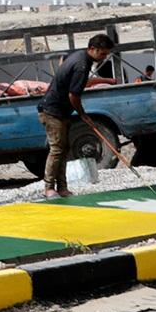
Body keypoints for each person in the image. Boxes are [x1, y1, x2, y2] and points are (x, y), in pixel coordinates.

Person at [37, 34, 115, 199]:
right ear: (92, 49)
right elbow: (73, 95)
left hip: (60, 111)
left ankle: (62, 187)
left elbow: (79, 84)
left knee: (64, 149)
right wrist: (82, 114)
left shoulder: (80, 57)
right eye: (102, 53)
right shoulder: (81, 65)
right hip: (52, 111)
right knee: (57, 149)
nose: (104, 57)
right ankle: (48, 188)